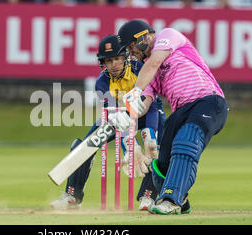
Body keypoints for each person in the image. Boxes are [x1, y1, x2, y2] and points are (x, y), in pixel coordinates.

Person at [110, 20, 228, 215]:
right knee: (162, 162)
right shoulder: (147, 70)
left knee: (185, 143)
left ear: (143, 37)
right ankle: (182, 198)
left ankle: (170, 199)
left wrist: (135, 89)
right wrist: (126, 115)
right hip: (181, 111)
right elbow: (143, 103)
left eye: (131, 47)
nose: (131, 54)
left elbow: (155, 62)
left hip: (208, 100)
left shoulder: (167, 36)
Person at [50, 34, 167, 210]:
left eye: (117, 59)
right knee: (84, 147)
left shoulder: (140, 68)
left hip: (150, 112)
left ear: (126, 57)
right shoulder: (102, 82)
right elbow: (115, 117)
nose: (113, 64)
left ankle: (148, 196)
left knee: (156, 148)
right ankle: (72, 197)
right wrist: (129, 145)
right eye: (108, 60)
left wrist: (148, 132)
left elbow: (150, 103)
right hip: (118, 116)